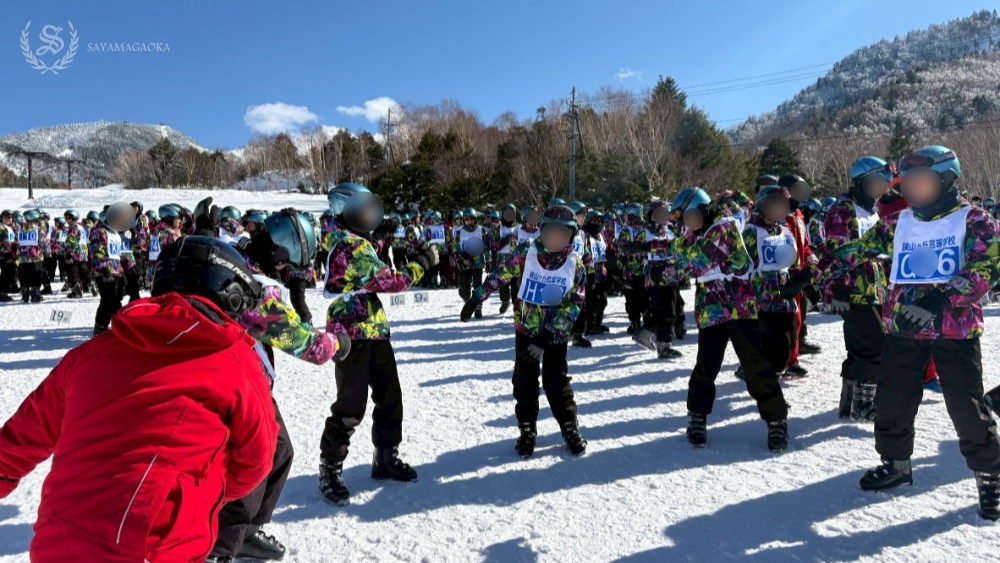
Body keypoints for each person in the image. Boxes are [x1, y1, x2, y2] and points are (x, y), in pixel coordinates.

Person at [0, 236, 278, 562]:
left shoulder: (88, 354)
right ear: (232, 295)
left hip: (57, 543)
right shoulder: (238, 361)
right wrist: (204, 490)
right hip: (153, 547)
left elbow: (18, 441)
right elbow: (256, 460)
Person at [833, 146, 1000, 521]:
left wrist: (939, 300)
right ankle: (896, 464)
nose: (910, 189)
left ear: (946, 180)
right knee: (893, 399)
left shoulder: (974, 219)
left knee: (966, 406)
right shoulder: (900, 222)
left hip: (954, 328)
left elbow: (986, 266)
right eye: (906, 183)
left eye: (920, 181)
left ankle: (990, 475)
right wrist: (822, 267)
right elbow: (860, 249)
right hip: (904, 327)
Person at [318, 183, 437, 506]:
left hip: (374, 330)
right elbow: (391, 281)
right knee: (351, 404)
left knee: (389, 396)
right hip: (351, 335)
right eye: (364, 211)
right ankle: (330, 469)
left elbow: (370, 256)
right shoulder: (349, 245)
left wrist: (383, 238)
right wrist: (423, 262)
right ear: (348, 213)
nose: (370, 217)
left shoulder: (356, 241)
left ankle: (385, 457)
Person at [460, 205, 589, 457]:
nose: (555, 238)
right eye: (550, 232)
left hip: (554, 335)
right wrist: (477, 297)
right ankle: (527, 428)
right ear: (542, 231)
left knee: (556, 382)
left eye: (562, 234)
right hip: (526, 329)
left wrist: (547, 336)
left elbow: (574, 305)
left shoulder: (575, 265)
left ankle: (569, 426)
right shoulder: (526, 253)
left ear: (571, 236)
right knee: (524, 382)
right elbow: (501, 274)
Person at [669, 187, 790, 452]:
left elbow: (694, 265)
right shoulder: (701, 231)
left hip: (739, 306)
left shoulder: (723, 227)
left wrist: (677, 254)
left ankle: (777, 420)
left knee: (755, 363)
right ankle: (697, 417)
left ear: (702, 209)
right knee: (707, 364)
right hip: (711, 306)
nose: (687, 224)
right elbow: (747, 206)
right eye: (683, 220)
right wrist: (735, 194)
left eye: (689, 216)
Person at [820, 157, 891, 420]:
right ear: (863, 181)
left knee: (859, 346)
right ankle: (864, 404)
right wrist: (838, 290)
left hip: (872, 286)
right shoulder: (844, 209)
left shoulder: (870, 208)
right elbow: (836, 252)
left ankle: (849, 402)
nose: (883, 186)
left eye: (885, 181)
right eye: (878, 181)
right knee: (875, 344)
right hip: (852, 288)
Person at [632, 200, 684, 359]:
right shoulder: (645, 232)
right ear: (651, 215)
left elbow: (679, 249)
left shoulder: (670, 230)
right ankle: (664, 345)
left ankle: (644, 333)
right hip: (655, 277)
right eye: (658, 213)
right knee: (666, 311)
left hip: (671, 276)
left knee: (669, 310)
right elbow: (635, 252)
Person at [90, 202, 136, 335]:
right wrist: (104, 270)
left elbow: (119, 254)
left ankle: (118, 326)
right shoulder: (99, 232)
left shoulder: (115, 234)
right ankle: (100, 327)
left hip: (116, 271)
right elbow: (96, 252)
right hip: (104, 272)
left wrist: (127, 268)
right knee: (107, 300)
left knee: (116, 300)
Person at [614, 202, 649, 335]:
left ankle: (635, 324)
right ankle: (648, 323)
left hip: (630, 272)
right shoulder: (647, 228)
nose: (624, 218)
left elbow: (621, 251)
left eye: (626, 215)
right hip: (646, 271)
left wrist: (620, 267)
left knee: (631, 299)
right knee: (645, 298)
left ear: (631, 215)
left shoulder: (626, 230)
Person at [453, 207, 486, 318]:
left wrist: (489, 259)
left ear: (475, 219)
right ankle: (467, 299)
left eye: (471, 219)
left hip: (477, 263)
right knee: (465, 289)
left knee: (478, 286)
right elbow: (456, 248)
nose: (469, 221)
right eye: (466, 219)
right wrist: (458, 260)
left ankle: (478, 306)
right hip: (465, 263)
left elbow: (487, 246)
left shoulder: (481, 230)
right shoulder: (460, 232)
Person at [16, 209, 48, 303]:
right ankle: (35, 293)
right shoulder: (38, 228)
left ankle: (25, 293)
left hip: (22, 257)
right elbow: (43, 241)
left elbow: (16, 240)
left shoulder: (20, 227)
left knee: (24, 274)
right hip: (35, 256)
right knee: (36, 274)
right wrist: (46, 251)